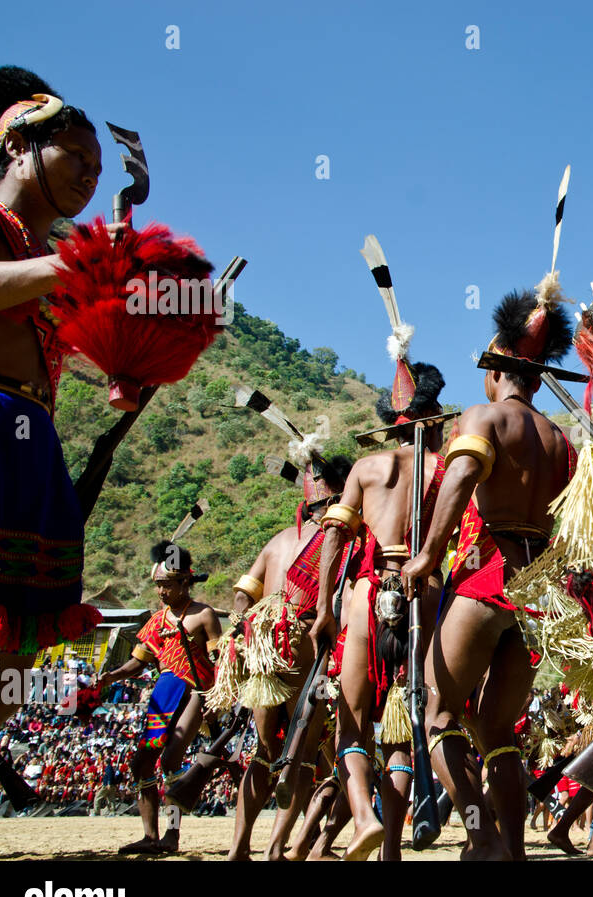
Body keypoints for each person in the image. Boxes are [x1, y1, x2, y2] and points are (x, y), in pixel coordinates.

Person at [402, 285, 576, 861]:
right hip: (539, 598)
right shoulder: (560, 439)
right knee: (498, 733)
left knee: (439, 713)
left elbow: (458, 481)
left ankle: (482, 839)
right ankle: (516, 852)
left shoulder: (484, 417)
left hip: (487, 580)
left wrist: (428, 553)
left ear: (497, 358)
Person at [0, 69, 108, 749]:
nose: (90, 174)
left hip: (30, 450)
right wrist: (67, 269)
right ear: (18, 147)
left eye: (98, 165)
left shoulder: (47, 254)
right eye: (76, 155)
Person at [313, 354, 450, 861]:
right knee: (404, 720)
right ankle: (390, 848)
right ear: (432, 423)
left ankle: (364, 817)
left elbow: (335, 535)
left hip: (367, 593)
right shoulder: (447, 469)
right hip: (426, 589)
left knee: (352, 720)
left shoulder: (368, 469)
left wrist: (327, 607)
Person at [220, 449, 352, 861]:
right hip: (303, 646)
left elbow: (243, 594)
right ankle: (277, 848)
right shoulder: (339, 542)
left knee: (263, 752)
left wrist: (243, 633)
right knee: (301, 754)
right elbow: (344, 602)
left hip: (262, 649)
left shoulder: (277, 540)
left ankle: (239, 849)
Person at [94, 542, 221, 854]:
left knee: (170, 760)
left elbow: (220, 660)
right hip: (163, 694)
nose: (161, 592)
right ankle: (150, 836)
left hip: (195, 692)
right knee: (141, 762)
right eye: (158, 587)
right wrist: (113, 675)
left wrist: (219, 699)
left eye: (166, 586)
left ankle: (172, 836)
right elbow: (139, 661)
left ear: (183, 583)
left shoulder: (203, 615)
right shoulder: (156, 621)